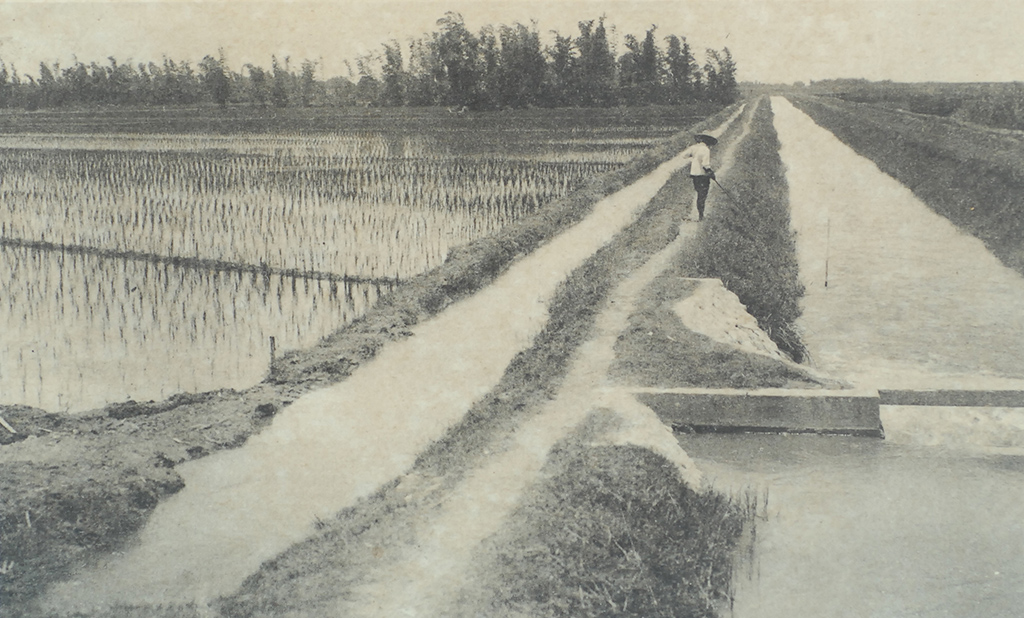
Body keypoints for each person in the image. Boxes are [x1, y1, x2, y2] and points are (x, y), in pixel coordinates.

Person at [679, 133, 718, 221]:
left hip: (694, 175)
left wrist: (693, 155)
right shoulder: (705, 149)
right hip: (703, 175)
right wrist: (711, 173)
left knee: (699, 193)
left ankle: (700, 215)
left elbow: (684, 155)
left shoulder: (694, 148)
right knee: (702, 195)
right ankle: (701, 216)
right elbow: (705, 164)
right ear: (708, 142)